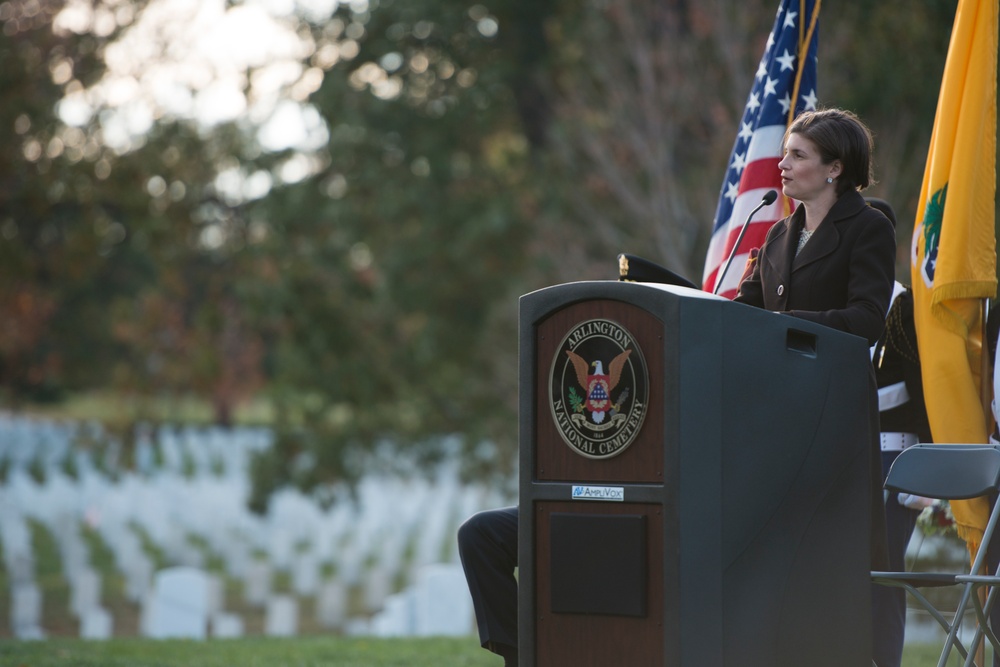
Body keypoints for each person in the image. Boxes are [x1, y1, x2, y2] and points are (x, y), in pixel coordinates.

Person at [867, 196, 933, 667]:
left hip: (893, 461)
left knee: (882, 577)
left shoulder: (902, 305)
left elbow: (922, 393)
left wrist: (928, 475)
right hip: (842, 459)